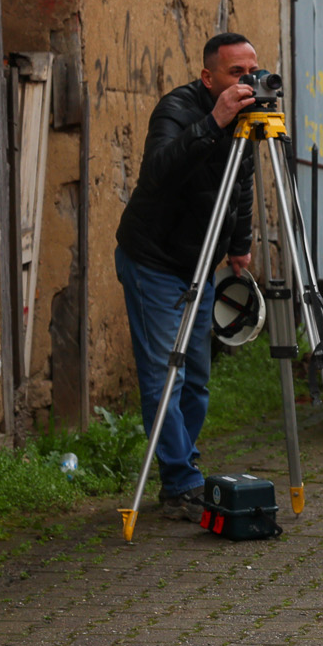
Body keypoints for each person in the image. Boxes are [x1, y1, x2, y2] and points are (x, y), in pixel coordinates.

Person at [114, 32, 260, 520]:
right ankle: (180, 480)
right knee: (165, 376)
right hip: (154, 261)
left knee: (196, 378)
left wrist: (239, 245)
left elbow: (242, 183)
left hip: (201, 266)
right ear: (208, 77)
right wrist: (214, 122)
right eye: (236, 73)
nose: (247, 81)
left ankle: (181, 469)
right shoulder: (177, 109)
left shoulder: (249, 120)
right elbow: (158, 172)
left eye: (252, 72)